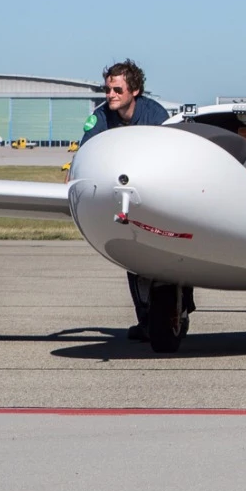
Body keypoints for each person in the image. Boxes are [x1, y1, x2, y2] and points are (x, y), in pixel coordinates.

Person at [78, 60, 176, 341]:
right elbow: (85, 154)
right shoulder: (100, 118)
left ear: (135, 91)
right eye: (108, 89)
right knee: (132, 257)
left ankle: (174, 311)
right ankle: (146, 320)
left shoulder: (156, 116)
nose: (110, 95)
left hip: (157, 201)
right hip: (124, 202)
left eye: (117, 89)